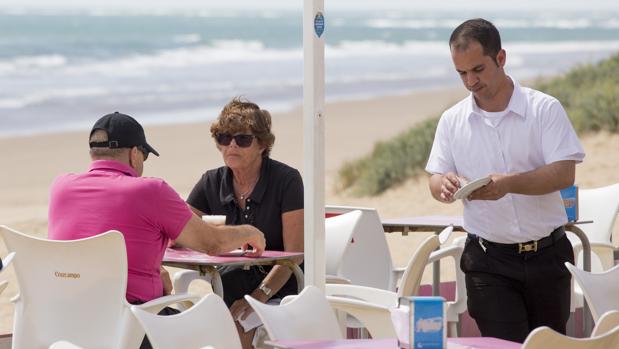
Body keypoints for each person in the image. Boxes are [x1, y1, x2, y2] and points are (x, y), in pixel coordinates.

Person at [48, 112, 266, 348]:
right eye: (144, 156)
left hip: (68, 323)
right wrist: (250, 232)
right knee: (219, 322)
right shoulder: (150, 190)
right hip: (134, 326)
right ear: (134, 154)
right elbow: (211, 243)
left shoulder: (61, 187)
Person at [426, 19, 585, 342]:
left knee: (547, 346)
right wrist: (442, 184)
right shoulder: (452, 120)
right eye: (462, 73)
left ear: (501, 58)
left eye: (478, 70)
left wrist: (509, 184)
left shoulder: (544, 109)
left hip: (548, 256)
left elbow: (564, 173)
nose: (471, 81)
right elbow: (435, 176)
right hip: (487, 260)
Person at [186, 97, 304, 348]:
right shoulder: (211, 182)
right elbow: (180, 230)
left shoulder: (287, 181)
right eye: (223, 138)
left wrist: (257, 297)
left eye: (242, 139)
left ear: (262, 144)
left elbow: (294, 256)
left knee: (238, 327)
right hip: (224, 289)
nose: (231, 146)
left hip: (279, 290)